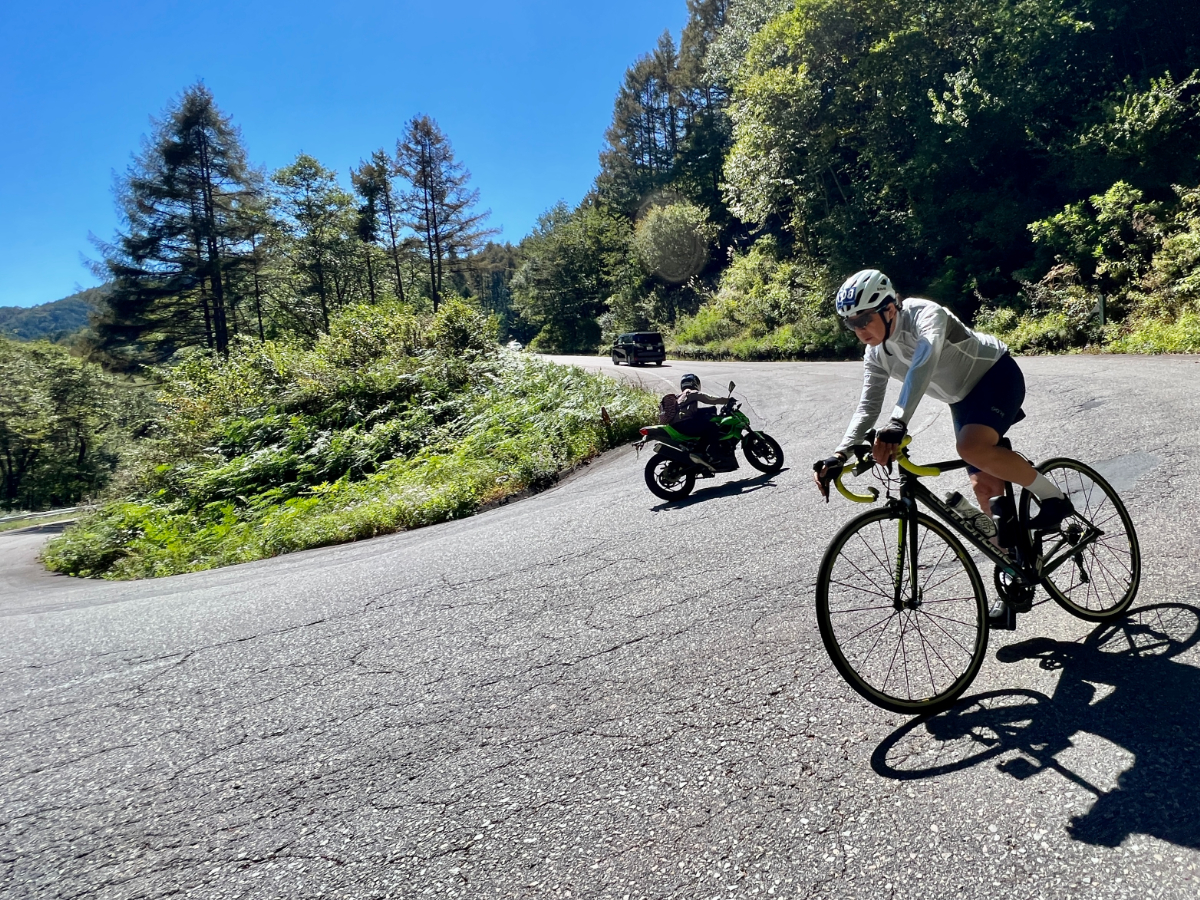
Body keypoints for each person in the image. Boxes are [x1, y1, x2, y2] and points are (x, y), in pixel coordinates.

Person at [812, 269, 1073, 533]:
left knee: (971, 447)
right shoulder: (876, 354)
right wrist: (840, 453)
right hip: (960, 399)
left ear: (889, 308)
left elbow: (922, 365)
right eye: (851, 323)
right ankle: (1014, 567)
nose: (859, 329)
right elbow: (868, 406)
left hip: (995, 375)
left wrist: (897, 422)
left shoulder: (925, 315)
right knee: (984, 489)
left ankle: (1055, 499)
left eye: (864, 319)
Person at [672, 373, 734, 467]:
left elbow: (692, 412)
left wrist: (711, 410)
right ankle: (713, 454)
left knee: (704, 425)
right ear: (695, 383)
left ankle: (700, 451)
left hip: (677, 425)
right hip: (685, 424)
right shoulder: (690, 393)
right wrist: (726, 400)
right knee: (712, 427)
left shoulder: (679, 396)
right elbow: (707, 398)